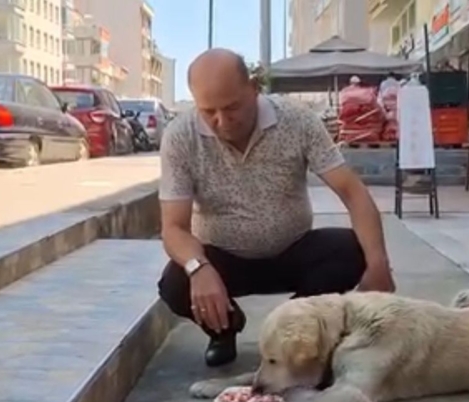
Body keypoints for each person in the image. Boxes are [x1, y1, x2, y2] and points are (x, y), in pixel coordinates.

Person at [157, 48, 396, 368]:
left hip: (291, 250)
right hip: (223, 259)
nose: (222, 121)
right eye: (208, 111)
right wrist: (198, 267)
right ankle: (223, 328)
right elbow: (173, 227)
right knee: (176, 282)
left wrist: (379, 265)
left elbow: (352, 192)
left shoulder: (297, 121)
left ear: (254, 88)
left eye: (232, 107)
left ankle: (294, 326)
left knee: (350, 250)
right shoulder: (180, 137)